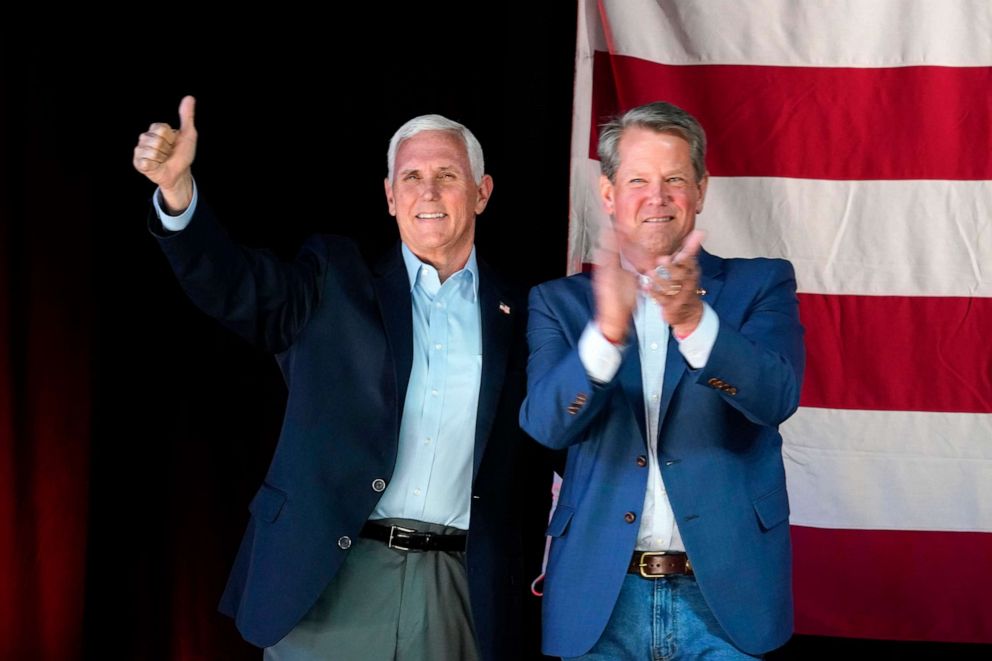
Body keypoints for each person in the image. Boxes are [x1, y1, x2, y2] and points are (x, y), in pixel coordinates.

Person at [133, 96, 550, 660]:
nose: (427, 191)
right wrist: (179, 196)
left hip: (457, 587)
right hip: (331, 575)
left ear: (482, 192)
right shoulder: (336, 279)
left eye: (447, 175)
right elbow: (237, 287)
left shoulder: (524, 313)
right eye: (411, 177)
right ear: (389, 196)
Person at [519, 101, 805, 659]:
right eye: (638, 181)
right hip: (600, 603)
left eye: (675, 179)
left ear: (700, 190)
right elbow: (546, 425)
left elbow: (776, 397)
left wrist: (696, 325)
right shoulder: (558, 303)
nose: (657, 197)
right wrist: (605, 334)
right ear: (608, 194)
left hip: (726, 600)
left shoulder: (762, 283)